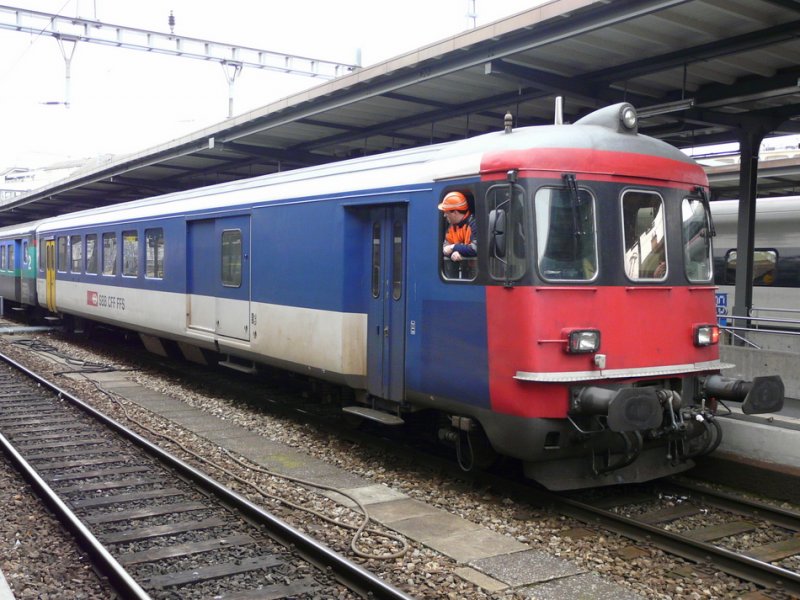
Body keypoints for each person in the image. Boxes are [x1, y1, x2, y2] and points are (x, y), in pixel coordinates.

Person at [438, 191, 477, 268]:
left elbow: (475, 248)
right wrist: (453, 252)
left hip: (477, 271)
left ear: (455, 212)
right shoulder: (451, 227)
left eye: (446, 212)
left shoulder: (474, 223)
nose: (444, 215)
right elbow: (445, 248)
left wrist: (454, 247)